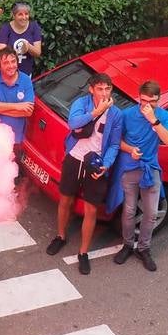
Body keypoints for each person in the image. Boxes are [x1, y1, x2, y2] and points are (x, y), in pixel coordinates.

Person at [48, 73, 122, 274]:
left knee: (91, 210)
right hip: (74, 158)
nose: (104, 93)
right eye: (100, 88)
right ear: (91, 89)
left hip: (95, 163)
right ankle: (61, 236)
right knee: (65, 200)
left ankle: (83, 253)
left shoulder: (116, 114)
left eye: (107, 89)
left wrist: (106, 164)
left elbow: (115, 144)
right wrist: (96, 112)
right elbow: (73, 123)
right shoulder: (82, 103)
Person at [105, 80, 168, 272]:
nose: (146, 105)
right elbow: (115, 141)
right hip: (129, 168)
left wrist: (154, 120)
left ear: (158, 99)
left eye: (151, 102)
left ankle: (143, 248)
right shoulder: (127, 114)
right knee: (128, 211)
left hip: (150, 168)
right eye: (143, 101)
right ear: (138, 97)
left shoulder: (163, 116)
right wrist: (130, 149)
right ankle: (127, 245)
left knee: (151, 213)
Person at [0, 49, 36, 150]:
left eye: (13, 61)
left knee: (10, 166)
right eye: (6, 63)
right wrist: (18, 106)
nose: (11, 66)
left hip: (14, 139)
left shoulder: (26, 80)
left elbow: (27, 112)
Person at [0, 3, 43, 77]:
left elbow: (38, 52)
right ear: (14, 16)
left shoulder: (34, 26)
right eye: (20, 14)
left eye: (26, 14)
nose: (24, 17)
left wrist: (28, 47)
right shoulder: (6, 28)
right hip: (5, 73)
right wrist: (14, 54)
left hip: (25, 74)